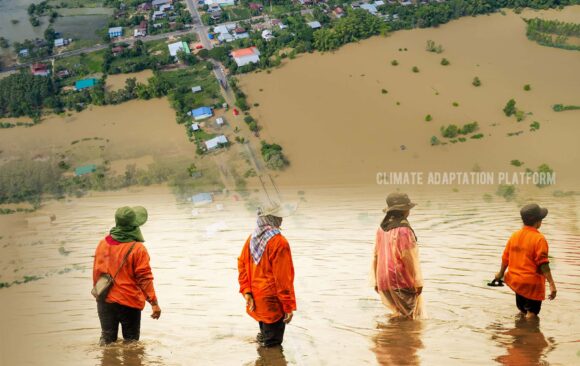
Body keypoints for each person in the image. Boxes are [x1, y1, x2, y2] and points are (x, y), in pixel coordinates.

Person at [93, 206, 161, 345]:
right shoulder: (138, 249)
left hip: (105, 300)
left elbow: (97, 273)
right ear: (134, 226)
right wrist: (154, 303)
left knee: (106, 342)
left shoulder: (103, 243)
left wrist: (100, 295)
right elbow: (144, 278)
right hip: (129, 302)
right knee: (132, 344)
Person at [238, 203, 297, 348]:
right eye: (279, 216)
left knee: (265, 338)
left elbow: (241, 265)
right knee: (273, 346)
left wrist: (247, 292)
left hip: (257, 301)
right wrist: (288, 306)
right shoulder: (279, 242)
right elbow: (283, 280)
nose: (282, 219)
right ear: (273, 218)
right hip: (273, 304)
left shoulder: (252, 238)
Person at [495, 203, 557, 319]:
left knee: (523, 311)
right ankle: (529, 334)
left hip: (517, 281)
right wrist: (552, 284)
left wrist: (500, 273)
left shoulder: (514, 235)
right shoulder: (539, 239)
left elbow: (505, 257)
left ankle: (519, 332)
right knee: (532, 314)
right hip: (532, 284)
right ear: (538, 221)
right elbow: (543, 263)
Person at [373, 193, 424, 319]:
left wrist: (375, 280)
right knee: (409, 318)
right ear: (404, 210)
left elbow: (376, 255)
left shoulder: (381, 228)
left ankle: (390, 336)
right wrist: (417, 282)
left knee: (398, 315)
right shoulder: (404, 230)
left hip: (383, 279)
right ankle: (402, 337)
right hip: (400, 281)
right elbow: (409, 258)